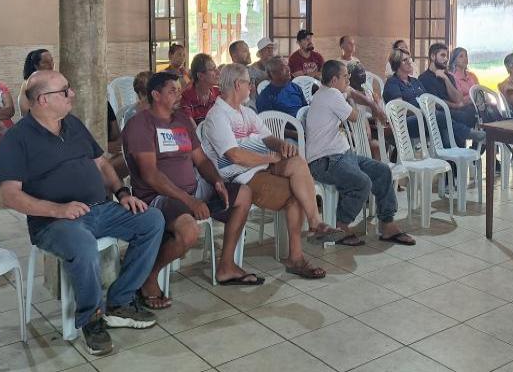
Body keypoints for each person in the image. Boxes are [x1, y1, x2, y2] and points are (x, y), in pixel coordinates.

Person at [0, 70, 164, 356]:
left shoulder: (72, 124)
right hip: (53, 222)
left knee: (151, 220)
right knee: (83, 244)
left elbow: (102, 164)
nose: (72, 94)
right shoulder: (16, 138)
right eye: (65, 90)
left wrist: (122, 193)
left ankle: (120, 301)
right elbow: (10, 195)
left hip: (99, 209)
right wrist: (58, 209)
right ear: (43, 100)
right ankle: (91, 318)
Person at [122, 72, 258, 309]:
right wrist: (189, 200)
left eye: (179, 89)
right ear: (155, 95)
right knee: (189, 232)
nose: (179, 94)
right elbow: (150, 175)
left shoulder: (182, 120)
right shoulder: (140, 125)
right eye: (172, 91)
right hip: (159, 197)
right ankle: (149, 276)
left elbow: (201, 160)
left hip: (194, 190)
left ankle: (226, 265)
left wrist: (216, 181)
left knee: (243, 193)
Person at [200, 64, 338, 279]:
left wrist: (281, 145)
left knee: (297, 162)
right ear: (238, 85)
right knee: (295, 194)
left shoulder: (246, 112)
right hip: (240, 176)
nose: (252, 87)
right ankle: (296, 256)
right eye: (249, 83)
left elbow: (266, 137)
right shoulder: (217, 116)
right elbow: (234, 156)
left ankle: (315, 222)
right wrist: (267, 158)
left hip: (262, 167)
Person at [306, 61, 414, 247]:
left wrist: (374, 106)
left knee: (382, 171)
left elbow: (352, 92)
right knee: (362, 182)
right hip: (324, 161)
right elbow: (354, 117)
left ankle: (387, 223)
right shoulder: (330, 94)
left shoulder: (330, 91)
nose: (349, 80)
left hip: (342, 155)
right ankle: (341, 225)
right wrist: (350, 99)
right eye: (345, 77)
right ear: (333, 80)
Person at [383, 49, 474, 148]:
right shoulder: (393, 82)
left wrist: (428, 109)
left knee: (443, 120)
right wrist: (422, 111)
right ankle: (466, 134)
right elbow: (399, 109)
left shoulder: (414, 81)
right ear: (396, 64)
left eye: (409, 59)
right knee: (438, 116)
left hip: (425, 118)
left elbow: (428, 99)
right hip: (405, 123)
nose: (410, 62)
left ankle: (450, 154)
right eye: (405, 60)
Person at [419, 43, 480, 130]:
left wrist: (446, 79)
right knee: (464, 116)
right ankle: (471, 136)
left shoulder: (449, 76)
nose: (446, 59)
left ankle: (483, 140)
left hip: (453, 110)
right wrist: (457, 106)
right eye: (442, 55)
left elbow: (458, 99)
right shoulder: (424, 78)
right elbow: (437, 102)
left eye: (446, 56)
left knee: (476, 112)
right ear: (433, 56)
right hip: (440, 113)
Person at [179, 53, 220, 124]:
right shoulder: (186, 98)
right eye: (212, 69)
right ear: (200, 76)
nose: (218, 72)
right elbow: (192, 128)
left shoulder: (219, 94)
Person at [18, 48, 54, 116]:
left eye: (51, 60)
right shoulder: (27, 84)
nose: (51, 65)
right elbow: (24, 110)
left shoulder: (53, 82)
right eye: (46, 62)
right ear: (36, 66)